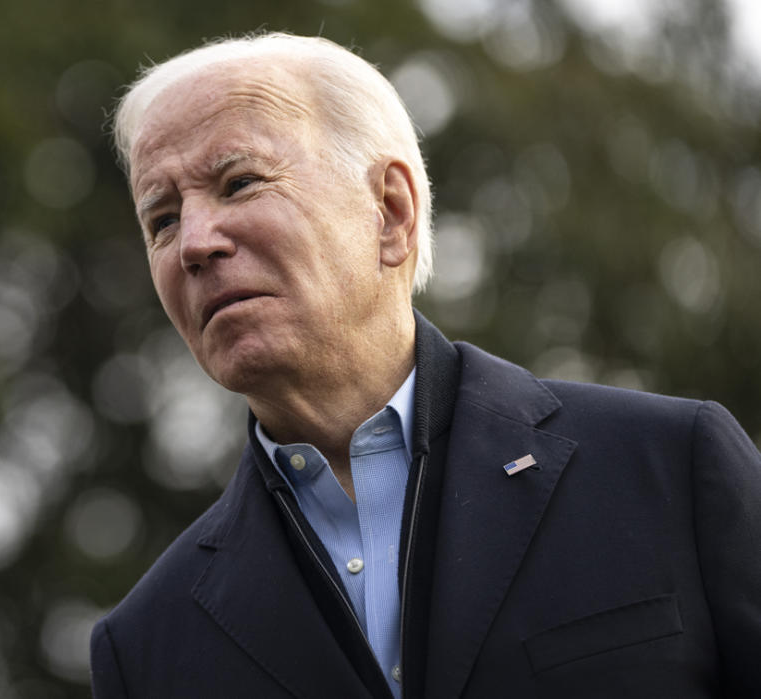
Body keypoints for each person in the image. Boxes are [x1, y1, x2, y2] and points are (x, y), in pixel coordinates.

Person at [89, 32, 761, 698]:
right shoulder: (146, 645)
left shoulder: (669, 469)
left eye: (239, 183)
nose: (195, 244)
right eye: (163, 219)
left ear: (389, 212)